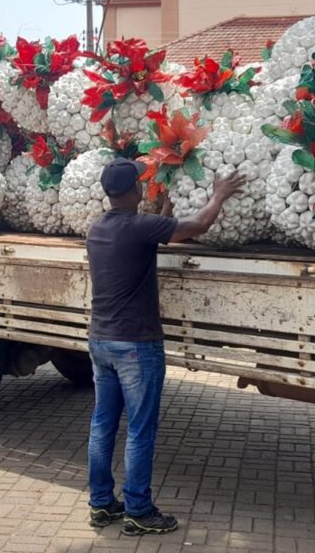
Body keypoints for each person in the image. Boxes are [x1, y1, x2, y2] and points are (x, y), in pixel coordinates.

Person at [85, 158, 246, 536]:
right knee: (141, 430)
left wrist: (164, 213)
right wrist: (219, 194)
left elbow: (148, 236)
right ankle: (138, 510)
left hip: (100, 341)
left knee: (103, 425)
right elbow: (200, 225)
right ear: (135, 191)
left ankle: (102, 504)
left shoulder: (99, 228)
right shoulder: (140, 227)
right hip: (136, 346)